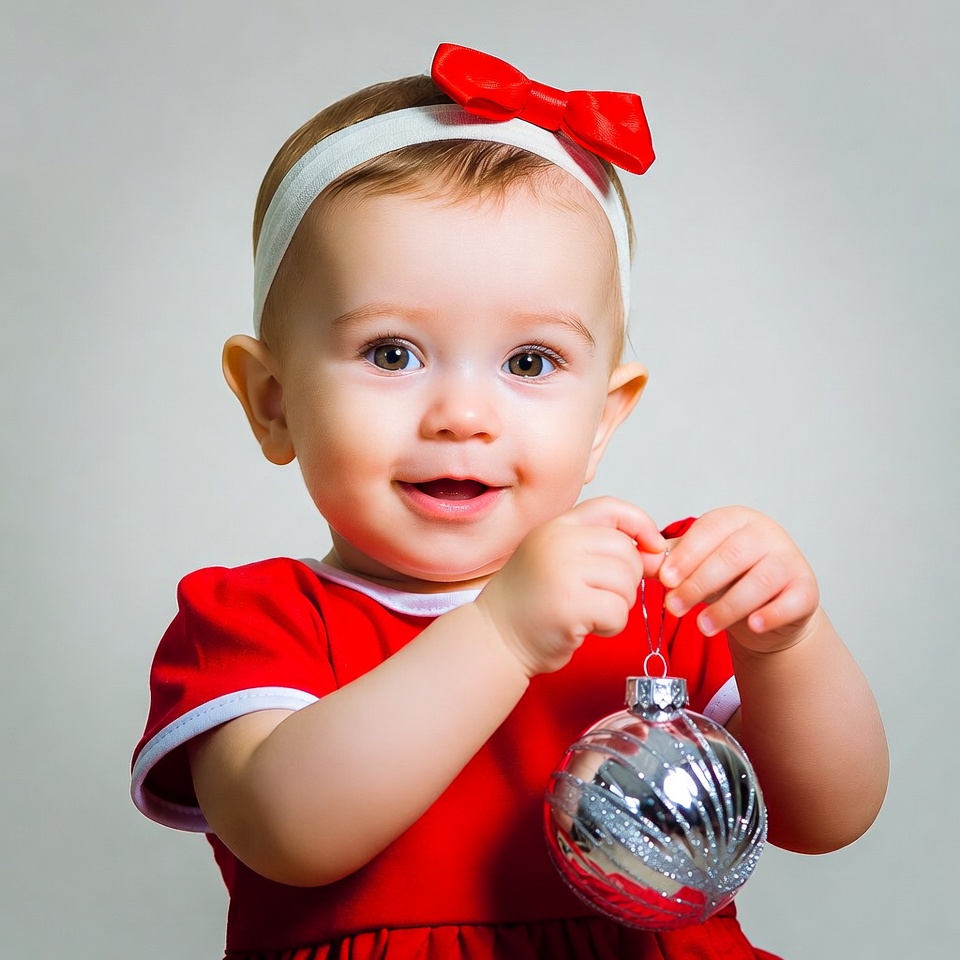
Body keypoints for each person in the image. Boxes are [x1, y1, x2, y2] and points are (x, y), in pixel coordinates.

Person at [131, 42, 888, 960]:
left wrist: (786, 646)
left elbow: (829, 816)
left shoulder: (660, 597)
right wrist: (500, 634)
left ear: (603, 417)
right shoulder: (254, 624)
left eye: (530, 362)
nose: (463, 416)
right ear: (273, 401)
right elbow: (290, 831)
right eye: (391, 353)